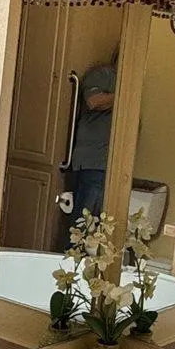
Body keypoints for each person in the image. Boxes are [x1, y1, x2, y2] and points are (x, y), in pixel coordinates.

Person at [66, 54, 117, 224]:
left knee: (97, 227)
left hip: (110, 166)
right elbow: (93, 101)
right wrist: (123, 95)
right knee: (82, 224)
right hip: (93, 163)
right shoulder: (104, 75)